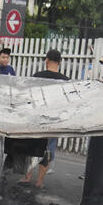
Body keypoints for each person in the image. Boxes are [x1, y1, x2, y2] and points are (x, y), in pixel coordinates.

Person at [22, 49, 70, 189]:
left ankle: (27, 177)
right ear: (60, 62)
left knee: (32, 148)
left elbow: (30, 96)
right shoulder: (65, 80)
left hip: (37, 118)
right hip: (54, 120)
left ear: (47, 60)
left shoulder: (38, 76)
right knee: (48, 150)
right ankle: (40, 182)